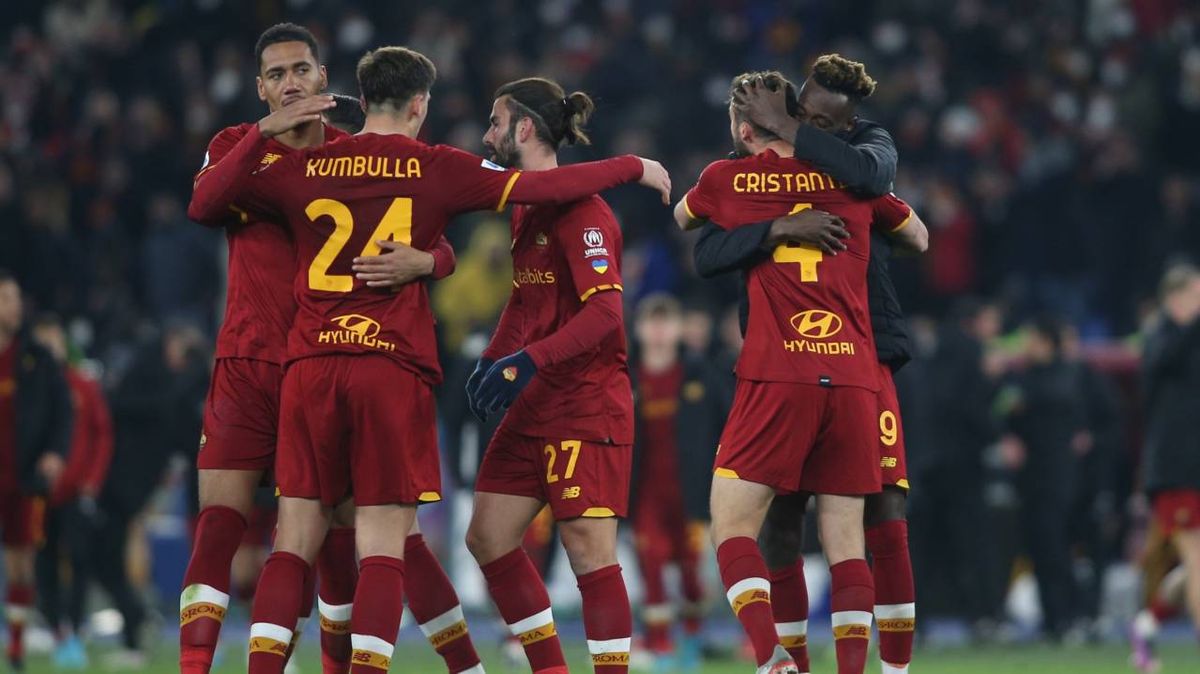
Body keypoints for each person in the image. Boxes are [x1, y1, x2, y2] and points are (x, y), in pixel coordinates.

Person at [188, 45, 669, 674]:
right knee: (388, 545)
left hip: (307, 367)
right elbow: (549, 184)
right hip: (388, 367)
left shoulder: (303, 169)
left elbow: (205, 204)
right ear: (420, 104)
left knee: (294, 543)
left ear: (356, 95)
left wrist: (261, 138)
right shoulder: (436, 167)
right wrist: (633, 166)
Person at [182, 24, 467, 674]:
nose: (289, 83)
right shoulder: (235, 147)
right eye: (276, 75)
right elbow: (201, 205)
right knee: (219, 523)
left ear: (323, 77)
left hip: (322, 364)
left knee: (336, 544)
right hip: (247, 366)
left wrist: (431, 261)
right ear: (260, 89)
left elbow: (436, 233)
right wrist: (261, 134)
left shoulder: (352, 156)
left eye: (300, 71)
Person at [676, 70, 926, 674]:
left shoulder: (727, 178)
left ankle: (774, 662)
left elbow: (688, 223)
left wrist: (759, 200)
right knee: (847, 540)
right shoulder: (855, 177)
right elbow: (917, 234)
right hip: (854, 375)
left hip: (777, 371)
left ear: (742, 128)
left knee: (734, 525)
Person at [462, 76, 643, 674]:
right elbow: (523, 302)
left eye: (495, 122)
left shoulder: (585, 213)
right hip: (534, 402)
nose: (487, 134)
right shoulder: (527, 207)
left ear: (524, 129)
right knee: (487, 537)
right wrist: (494, 358)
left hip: (586, 404)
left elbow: (607, 314)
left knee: (588, 552)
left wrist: (531, 359)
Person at [629, 293, 731, 671]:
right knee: (650, 563)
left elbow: (729, 423)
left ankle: (690, 638)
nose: (657, 332)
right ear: (639, 329)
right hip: (644, 494)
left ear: (677, 329)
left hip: (692, 492)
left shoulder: (700, 374)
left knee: (691, 571)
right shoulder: (626, 376)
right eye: (651, 323)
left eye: (665, 322)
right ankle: (659, 648)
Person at [995, 316, 1090, 640]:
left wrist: (1021, 399)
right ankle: (1053, 621)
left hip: (1058, 476)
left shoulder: (1066, 375)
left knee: (1056, 547)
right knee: (1037, 548)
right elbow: (1004, 409)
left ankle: (1072, 617)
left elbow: (1054, 398)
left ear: (1047, 343)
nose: (1027, 347)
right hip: (1029, 477)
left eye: (1032, 340)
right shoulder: (1022, 378)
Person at [30, 314, 113, 670]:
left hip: (75, 490)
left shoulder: (82, 385)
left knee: (78, 560)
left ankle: (75, 630)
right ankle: (56, 629)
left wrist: (92, 479)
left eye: (55, 342)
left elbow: (103, 433)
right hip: (36, 493)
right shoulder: (24, 388)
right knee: (42, 564)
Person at [0, 269, 72, 672]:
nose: (14, 307)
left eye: (15, 298)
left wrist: (55, 453)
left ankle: (15, 644)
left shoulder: (35, 357)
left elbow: (63, 412)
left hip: (21, 476)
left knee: (21, 563)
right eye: (6, 299)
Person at [1132, 262, 1200, 669]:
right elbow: (1160, 366)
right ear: (1177, 297)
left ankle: (1146, 624)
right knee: (1195, 557)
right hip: (1176, 467)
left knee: (1194, 564)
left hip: (1195, 463)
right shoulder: (1160, 336)